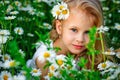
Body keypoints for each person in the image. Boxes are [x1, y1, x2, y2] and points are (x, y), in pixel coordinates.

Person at [27, 0, 105, 79]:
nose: (80, 39)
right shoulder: (45, 60)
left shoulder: (87, 53)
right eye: (74, 30)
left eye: (88, 32)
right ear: (59, 27)